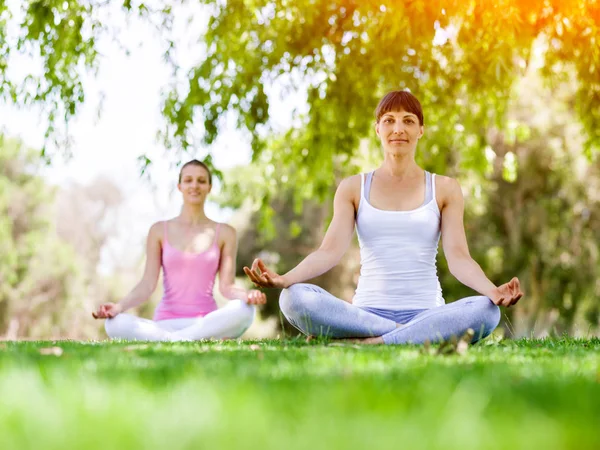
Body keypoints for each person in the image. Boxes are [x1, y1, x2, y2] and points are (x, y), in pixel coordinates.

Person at [244, 90, 523, 345]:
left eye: (408, 121)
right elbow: (328, 252)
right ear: (377, 129)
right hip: (366, 313)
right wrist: (284, 279)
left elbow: (459, 257)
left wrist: (492, 290)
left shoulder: (445, 188)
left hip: (427, 311)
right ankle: (409, 335)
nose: (398, 129)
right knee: (294, 299)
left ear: (421, 130)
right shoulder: (354, 187)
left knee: (486, 312)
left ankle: (372, 341)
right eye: (389, 120)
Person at [92, 159, 266, 341]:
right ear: (179, 186)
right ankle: (183, 338)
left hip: (206, 322)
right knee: (113, 324)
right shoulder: (159, 230)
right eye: (188, 180)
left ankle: (173, 339)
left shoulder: (225, 233)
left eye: (201, 181)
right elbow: (147, 284)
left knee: (245, 310)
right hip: (165, 323)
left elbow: (226, 286)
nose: (195, 185)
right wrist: (119, 307)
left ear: (209, 187)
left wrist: (246, 296)